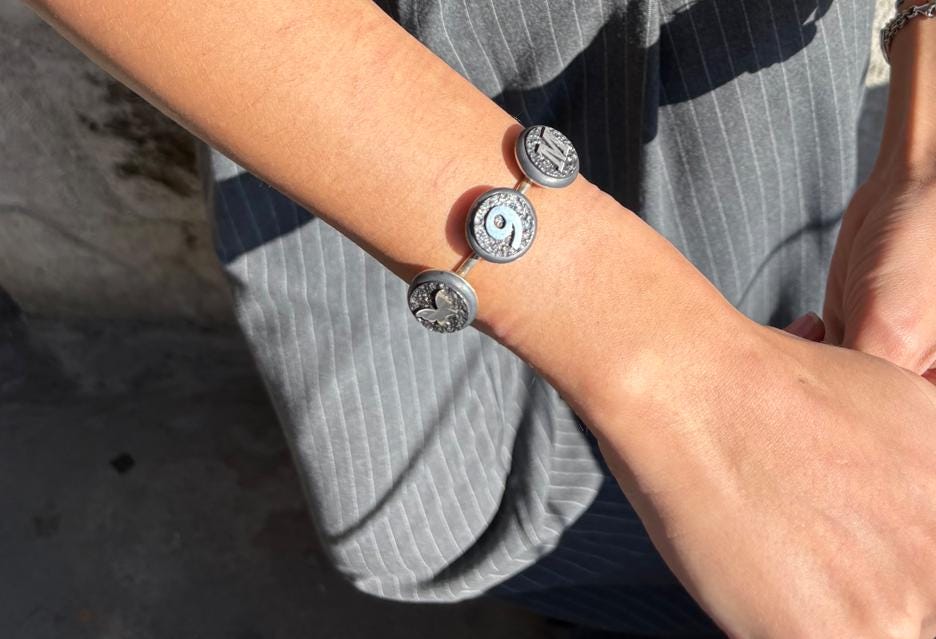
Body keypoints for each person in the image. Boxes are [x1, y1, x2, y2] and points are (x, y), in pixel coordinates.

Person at [26, 1, 936, 636]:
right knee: (434, 500)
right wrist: (686, 374)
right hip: (351, 96)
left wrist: (926, 130)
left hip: (741, 64)